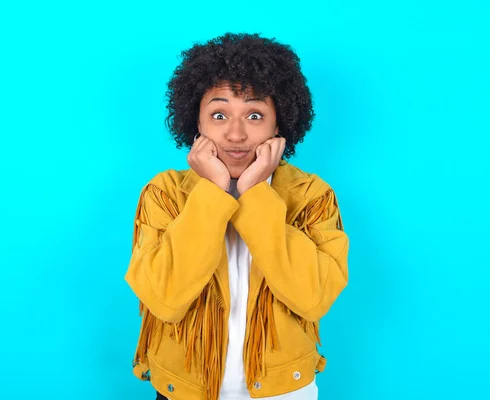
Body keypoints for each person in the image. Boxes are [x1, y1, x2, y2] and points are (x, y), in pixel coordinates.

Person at [125, 33, 349, 400]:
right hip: (182, 391)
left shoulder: (311, 195)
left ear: (279, 125)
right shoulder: (164, 193)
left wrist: (255, 192)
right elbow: (164, 297)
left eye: (255, 115)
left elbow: (313, 297)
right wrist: (213, 191)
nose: (236, 133)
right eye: (218, 114)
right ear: (196, 123)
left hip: (286, 392)